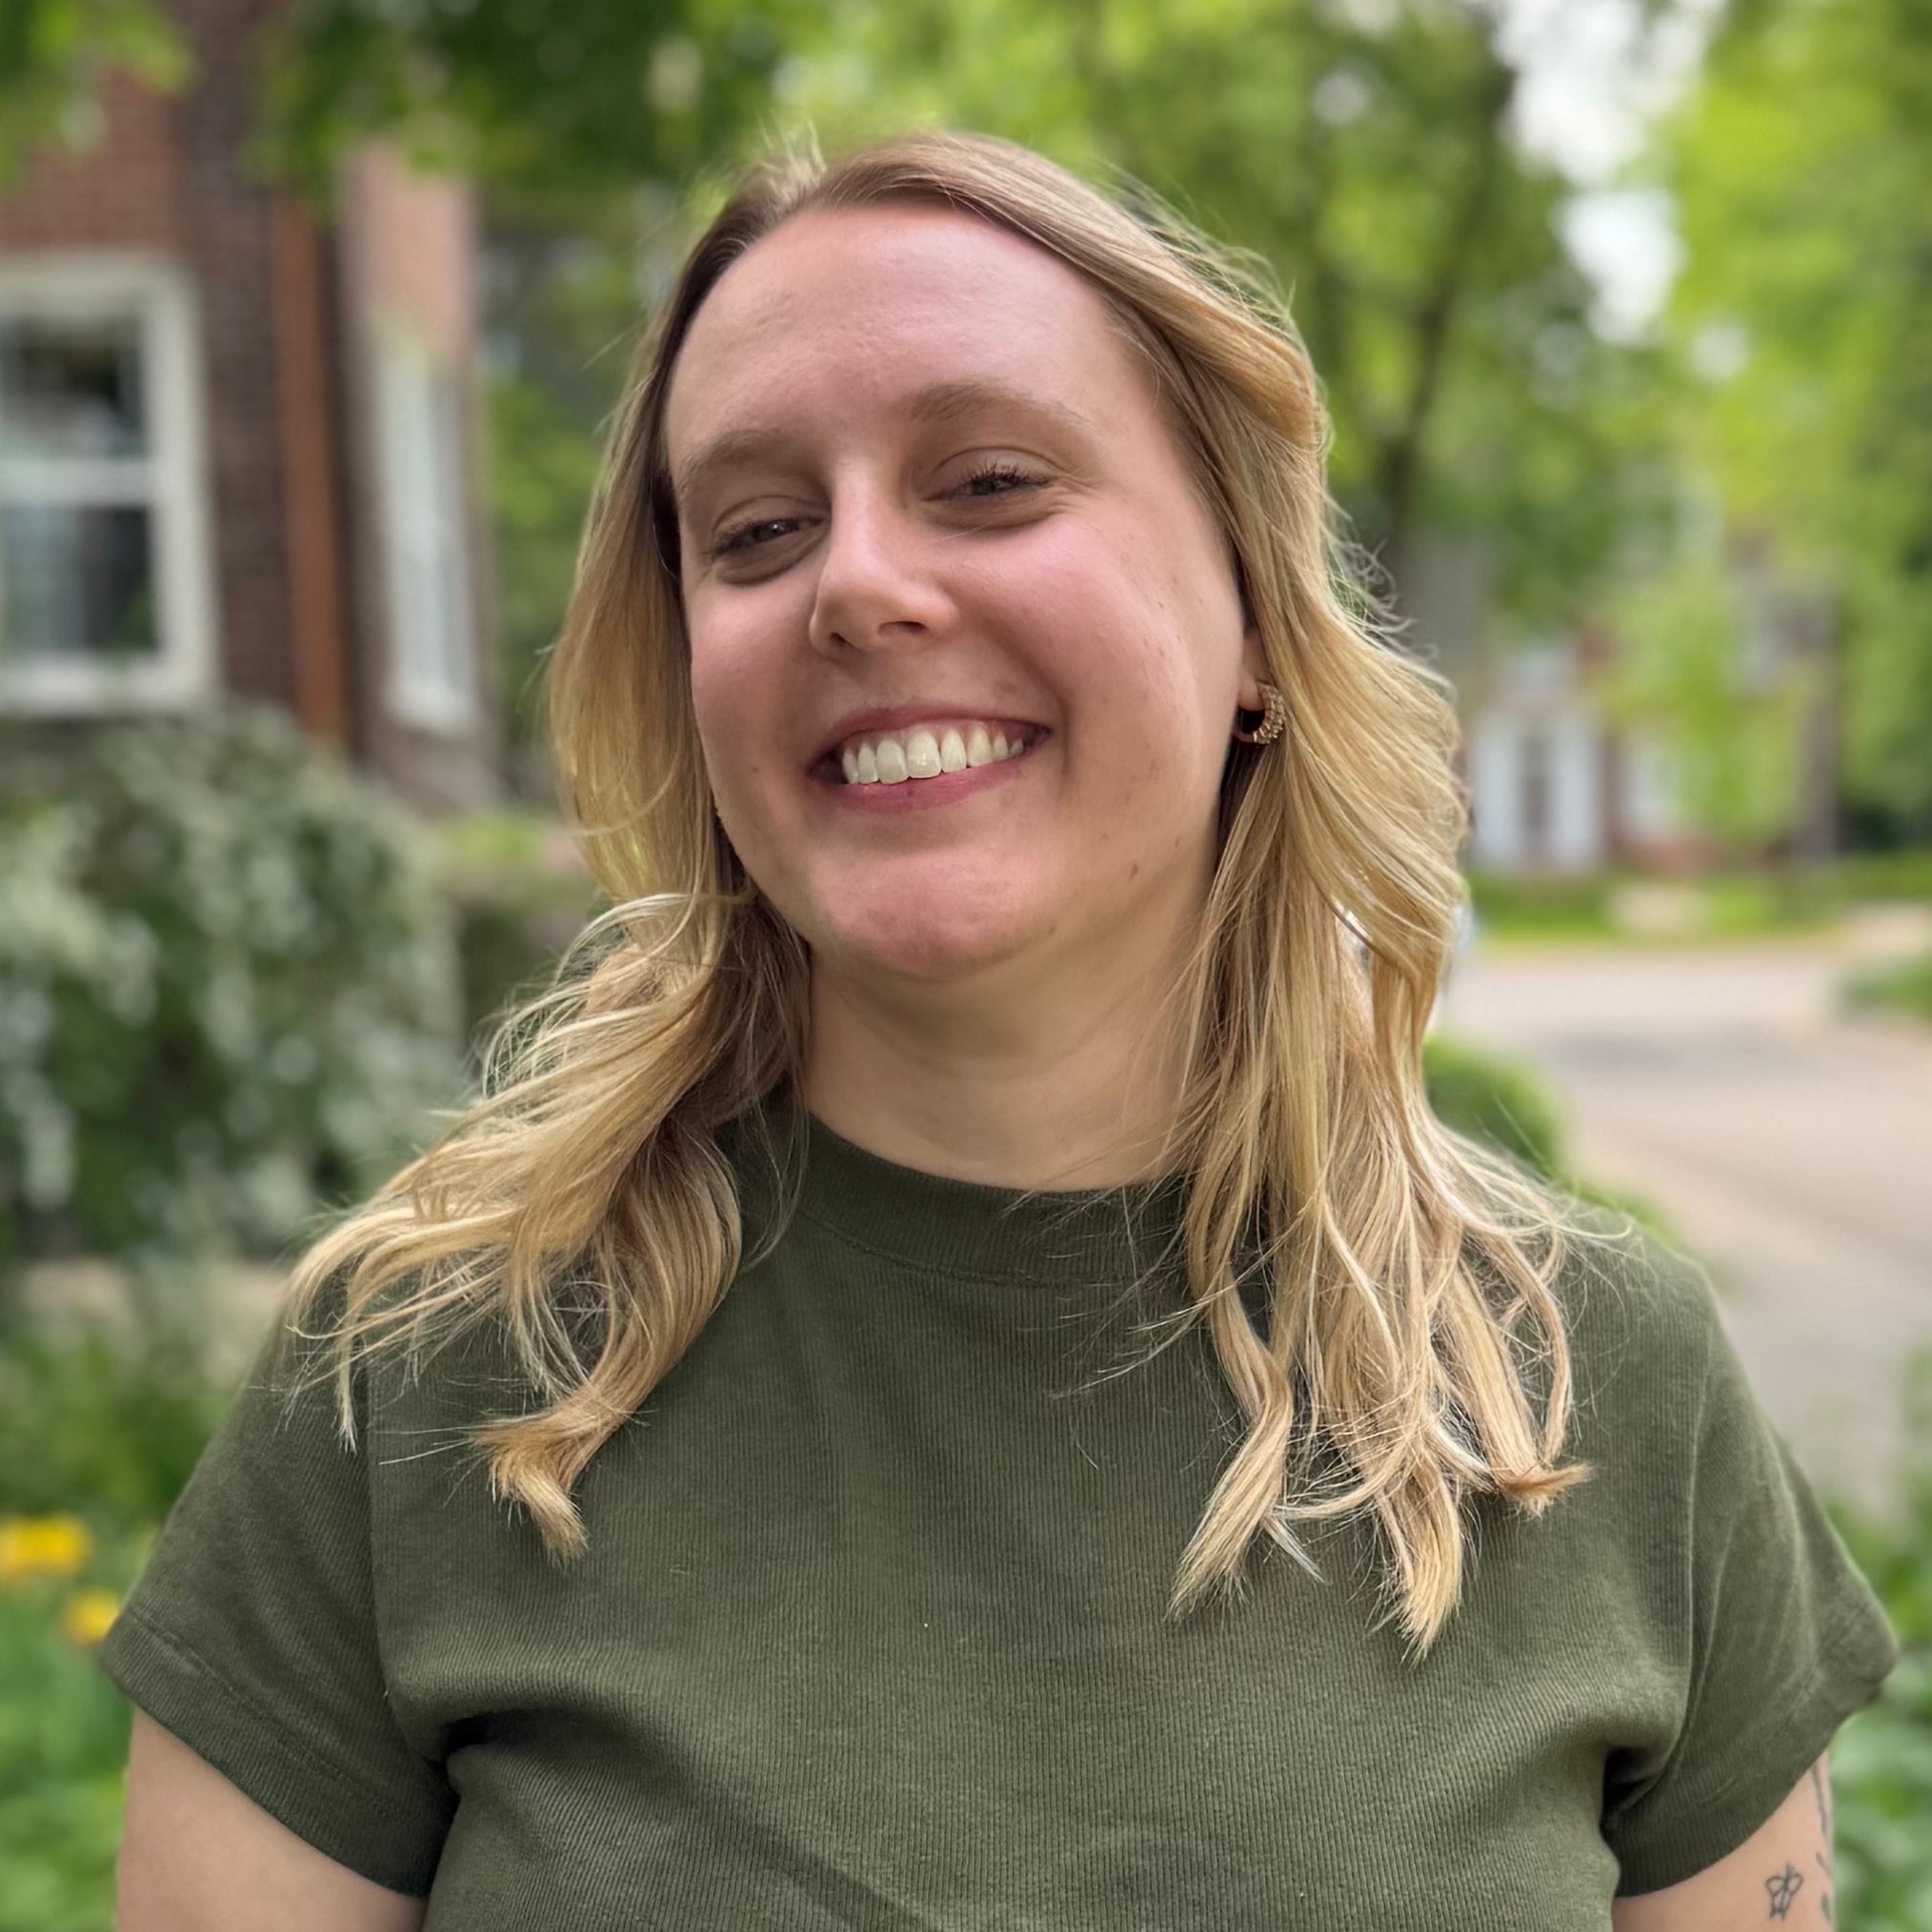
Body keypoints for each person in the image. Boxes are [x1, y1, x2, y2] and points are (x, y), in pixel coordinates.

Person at [104, 129, 1896, 1931]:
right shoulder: (420, 1382)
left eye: (988, 480)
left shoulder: (1600, 1388)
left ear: (1259, 611)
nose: (857, 583)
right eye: (755, 529)